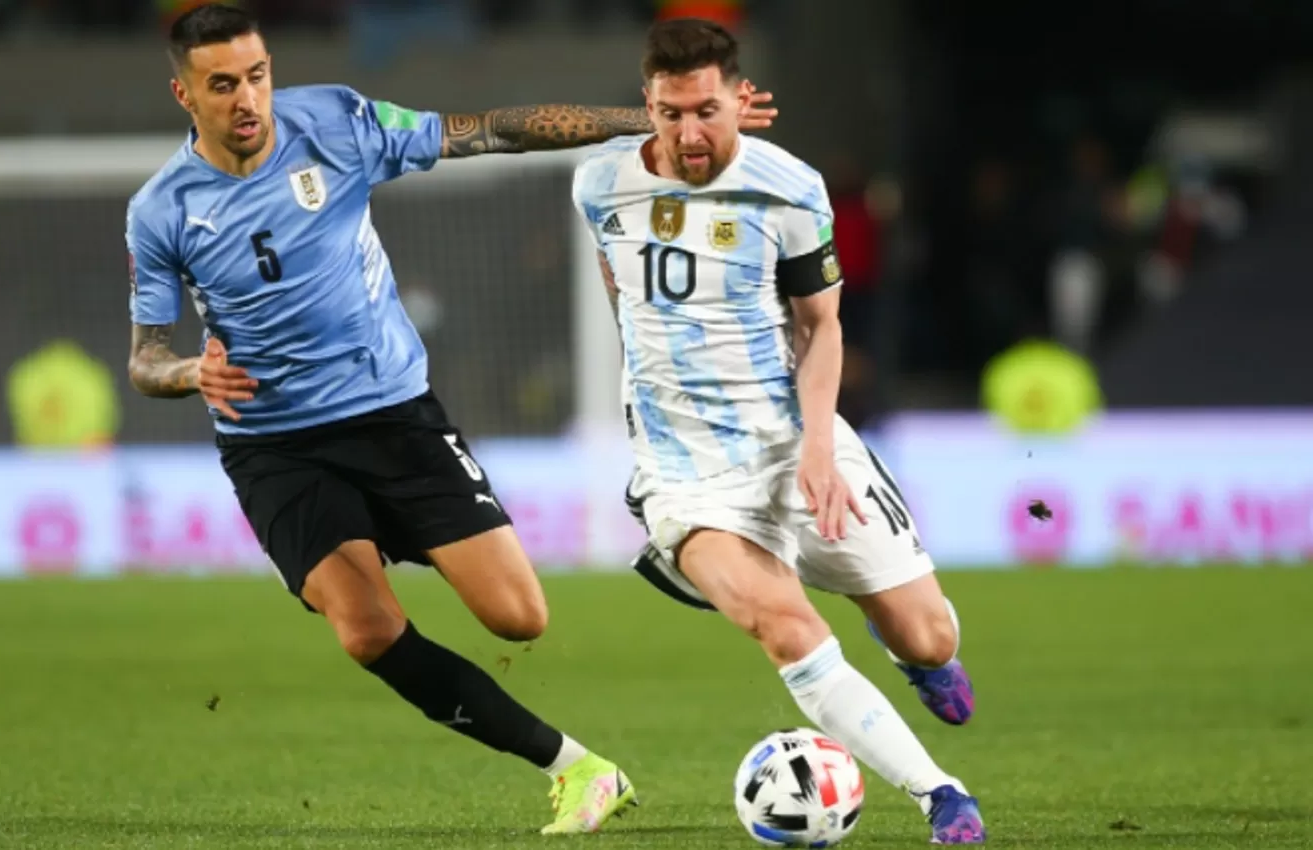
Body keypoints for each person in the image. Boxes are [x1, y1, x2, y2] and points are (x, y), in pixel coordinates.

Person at [123, 4, 776, 834]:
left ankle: (410, 530)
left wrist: (644, 121)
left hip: (392, 414)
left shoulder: (336, 123)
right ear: (184, 94)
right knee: (365, 632)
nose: (248, 99)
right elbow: (144, 359)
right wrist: (189, 371)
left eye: (258, 75)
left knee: (520, 618)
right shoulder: (161, 211)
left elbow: (493, 131)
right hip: (274, 445)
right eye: (223, 85)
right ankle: (578, 769)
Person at [571, 19, 985, 843]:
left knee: (929, 630)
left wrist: (820, 447)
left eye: (707, 111)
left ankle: (916, 657)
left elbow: (822, 326)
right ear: (647, 106)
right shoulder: (600, 186)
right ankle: (942, 796)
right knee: (786, 625)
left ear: (739, 101)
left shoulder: (790, 186)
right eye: (670, 112)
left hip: (795, 441)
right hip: (685, 475)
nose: (690, 133)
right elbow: (622, 292)